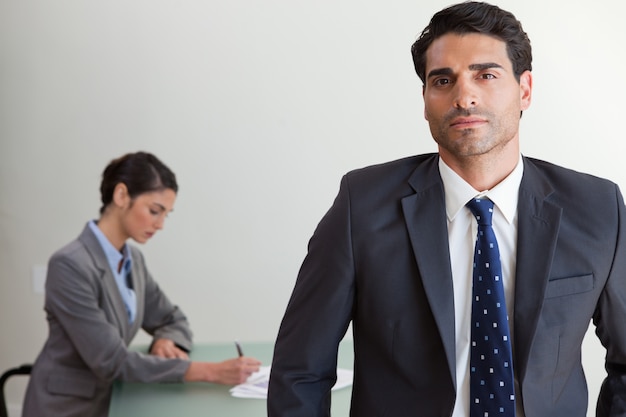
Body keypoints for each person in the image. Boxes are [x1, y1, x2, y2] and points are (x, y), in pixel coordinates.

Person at [267, 2, 626, 416]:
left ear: (524, 89)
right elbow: (300, 371)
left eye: (486, 75)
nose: (464, 96)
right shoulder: (360, 206)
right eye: (443, 80)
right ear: (425, 100)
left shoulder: (598, 208)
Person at [22, 151, 261, 417]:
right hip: (66, 407)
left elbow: (172, 319)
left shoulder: (132, 260)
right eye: (154, 211)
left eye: (166, 215)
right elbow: (110, 361)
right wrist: (211, 371)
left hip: (115, 397)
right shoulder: (69, 265)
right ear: (121, 195)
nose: (160, 224)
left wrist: (164, 340)